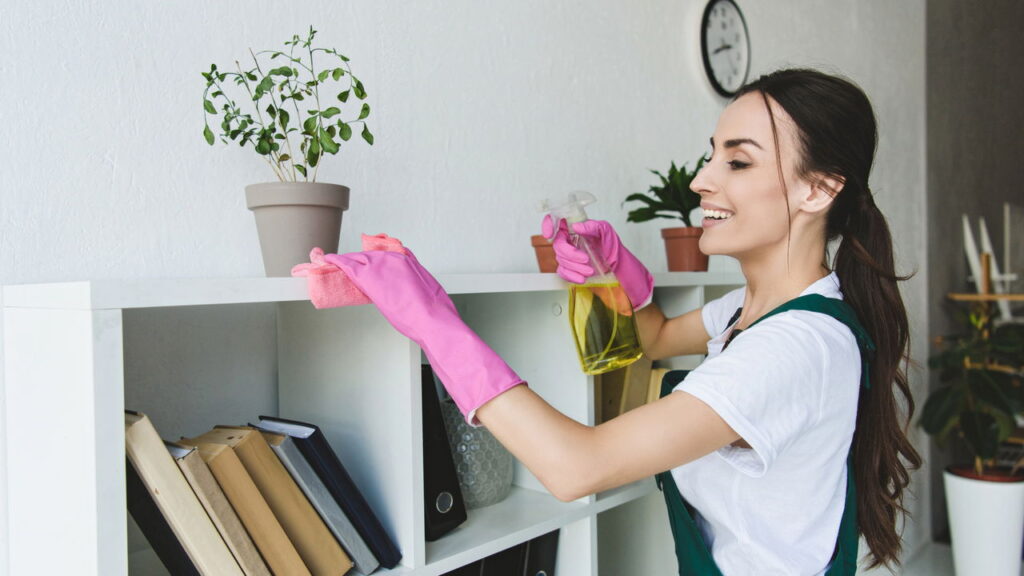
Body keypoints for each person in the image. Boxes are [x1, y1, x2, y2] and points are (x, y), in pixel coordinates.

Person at [325, 68, 921, 575]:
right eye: (711, 153)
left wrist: (434, 322)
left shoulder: (794, 347)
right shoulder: (756, 309)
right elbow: (657, 337)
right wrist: (616, 272)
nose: (701, 178)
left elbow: (575, 466)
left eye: (737, 161)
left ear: (818, 190)